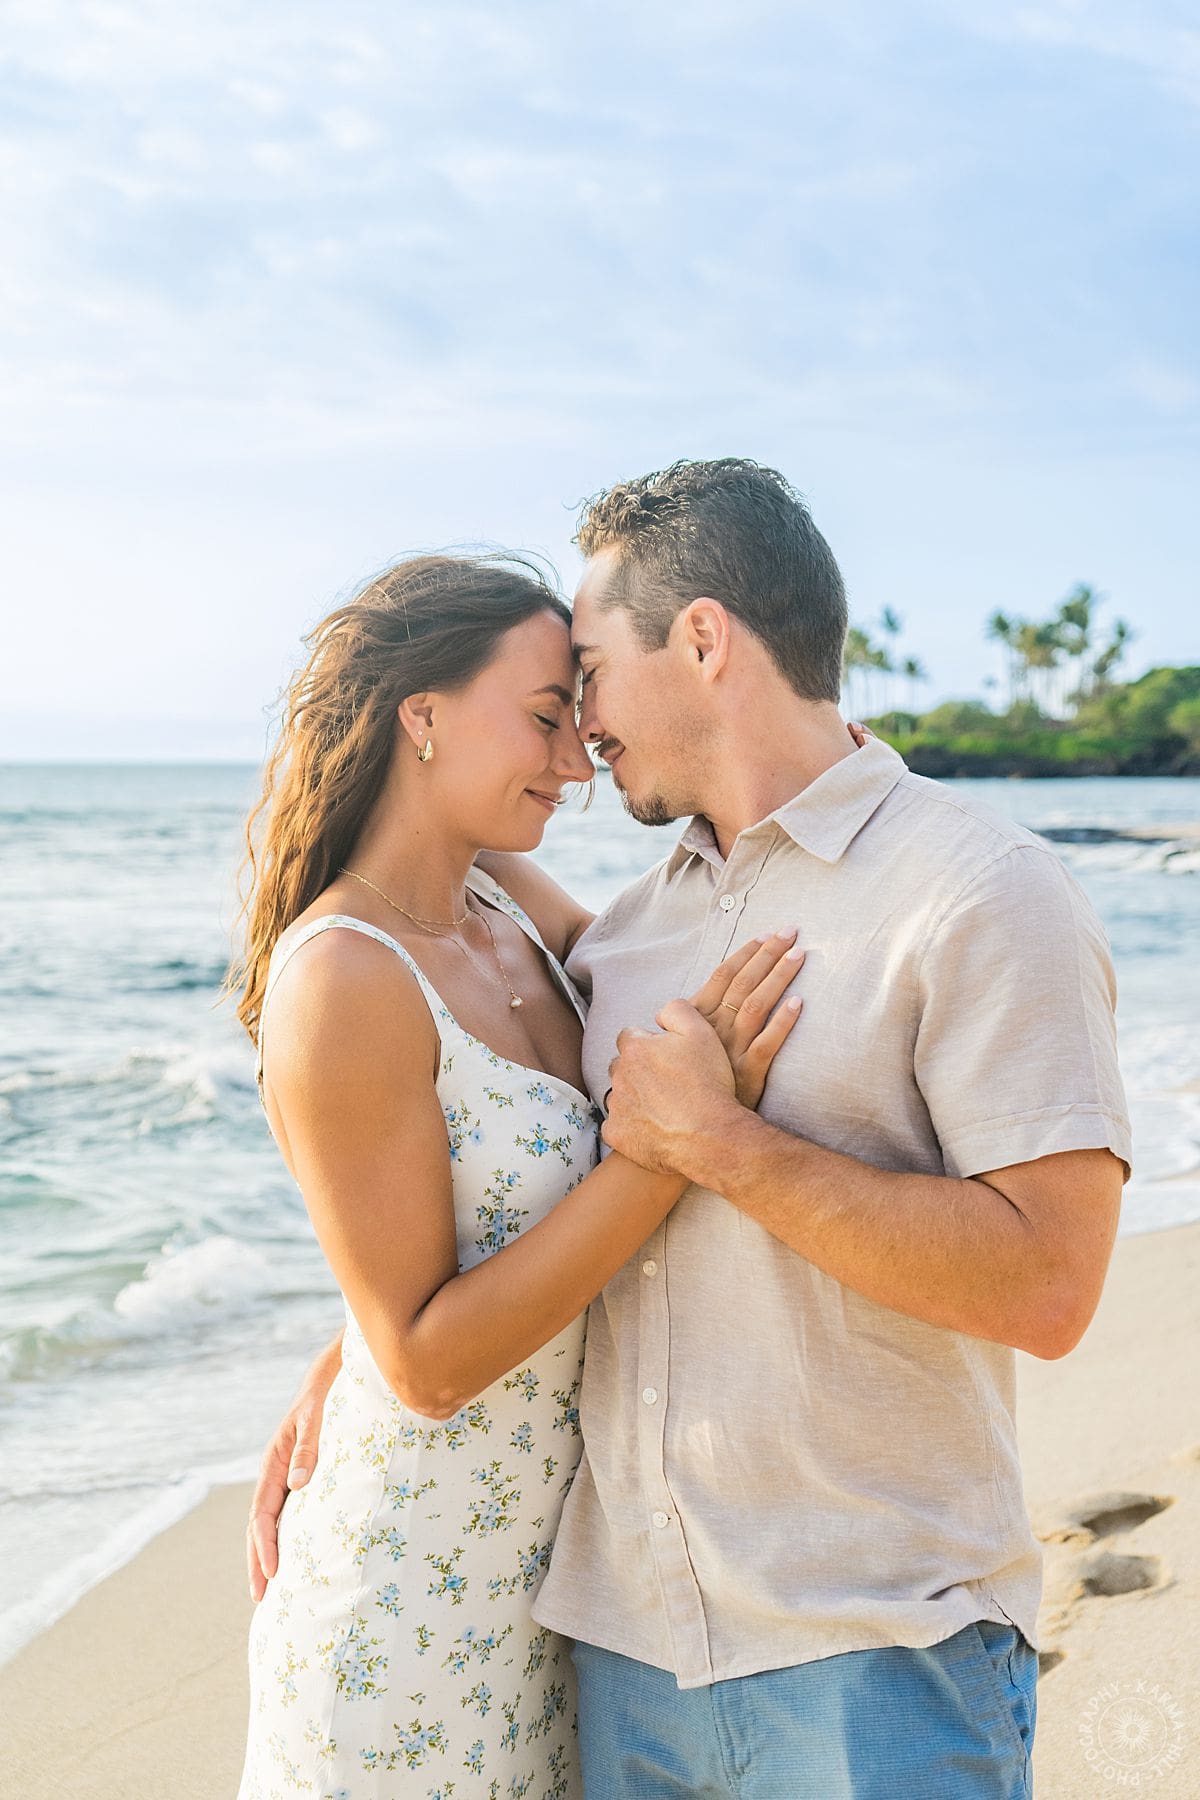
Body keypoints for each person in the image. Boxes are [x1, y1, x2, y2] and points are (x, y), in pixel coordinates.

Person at [252, 463, 1131, 1798]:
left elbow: (1050, 1287)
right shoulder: (627, 935)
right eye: (554, 703)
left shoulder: (978, 892)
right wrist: (359, 1348)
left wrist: (727, 1147)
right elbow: (470, 1177)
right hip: (615, 1657)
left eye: (587, 679)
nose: (582, 736)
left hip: (875, 1656)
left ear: (705, 642)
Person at [230, 551, 806, 1800]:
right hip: (407, 1616)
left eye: (581, 724)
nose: (573, 762)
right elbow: (429, 1365)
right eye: (548, 718)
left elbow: (688, 985)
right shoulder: (342, 975)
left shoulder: (509, 904)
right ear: (420, 713)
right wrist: (667, 1155)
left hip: (561, 1596)